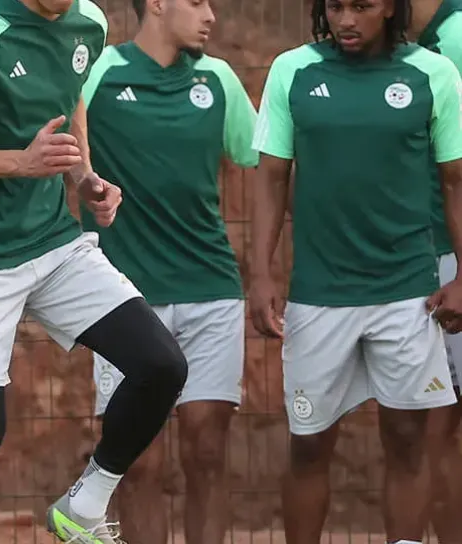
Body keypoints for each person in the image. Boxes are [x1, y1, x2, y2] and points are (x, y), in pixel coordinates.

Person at [0, 0, 190, 540]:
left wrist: (82, 175)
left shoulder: (89, 23)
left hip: (53, 243)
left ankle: (85, 506)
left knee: (162, 365)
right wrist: (20, 162)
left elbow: (69, 95)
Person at [250, 0, 462, 541]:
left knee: (409, 440)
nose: (346, 19)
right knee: (308, 444)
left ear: (389, 7)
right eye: (336, 6)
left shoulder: (434, 74)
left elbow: (455, 182)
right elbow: (271, 177)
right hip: (318, 294)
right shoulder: (292, 70)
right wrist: (262, 273)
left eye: (361, 6)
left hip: (408, 293)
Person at [79, 0, 257, 542]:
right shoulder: (98, 71)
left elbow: (259, 162)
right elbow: (63, 150)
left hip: (211, 288)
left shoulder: (218, 79)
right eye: (197, 2)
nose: (211, 15)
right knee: (139, 462)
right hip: (123, 300)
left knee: (207, 450)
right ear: (156, 4)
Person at [410, 0, 462, 540]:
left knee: (434, 426)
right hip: (434, 258)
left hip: (451, 259)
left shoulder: (457, 39)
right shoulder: (423, 43)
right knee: (433, 425)